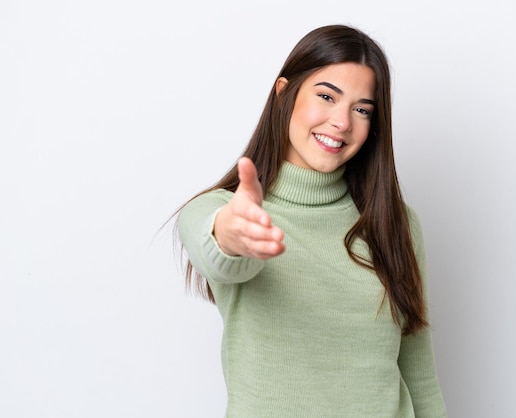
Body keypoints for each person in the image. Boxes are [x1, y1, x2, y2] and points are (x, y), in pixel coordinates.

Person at [175, 24, 447, 417]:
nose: (342, 122)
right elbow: (217, 248)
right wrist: (233, 236)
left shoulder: (397, 223)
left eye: (361, 109)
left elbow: (419, 375)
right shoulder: (220, 210)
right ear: (284, 92)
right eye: (326, 96)